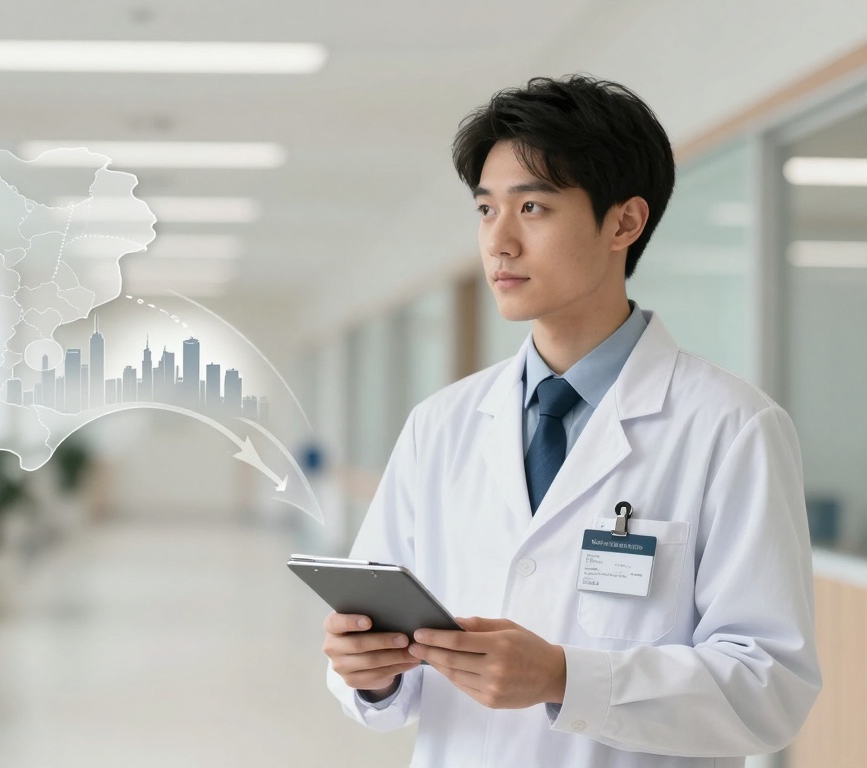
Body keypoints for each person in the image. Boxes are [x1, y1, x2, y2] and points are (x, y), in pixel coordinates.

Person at [321, 74, 820, 767]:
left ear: (624, 222)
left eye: (532, 208)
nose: (499, 242)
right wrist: (369, 674)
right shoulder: (441, 425)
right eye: (486, 210)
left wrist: (564, 678)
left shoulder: (731, 427)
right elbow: (381, 657)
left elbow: (769, 688)